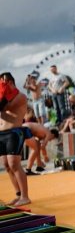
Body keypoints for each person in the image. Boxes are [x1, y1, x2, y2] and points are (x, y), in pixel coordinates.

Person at [0, 73, 31, 206]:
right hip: (2, 134)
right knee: (7, 166)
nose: (3, 85)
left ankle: (25, 196)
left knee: (14, 164)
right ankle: (18, 195)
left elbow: (6, 107)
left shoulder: (21, 96)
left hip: (14, 132)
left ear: (11, 82)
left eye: (4, 82)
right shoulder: (3, 96)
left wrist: (4, 92)